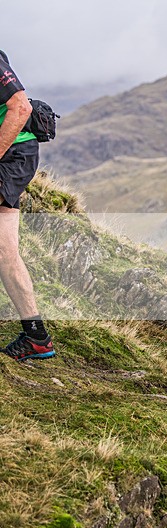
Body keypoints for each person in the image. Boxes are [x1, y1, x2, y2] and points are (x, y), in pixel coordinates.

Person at [0, 50, 55, 362]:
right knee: (6, 253)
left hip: (14, 153)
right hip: (11, 154)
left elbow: (20, 108)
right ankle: (37, 338)